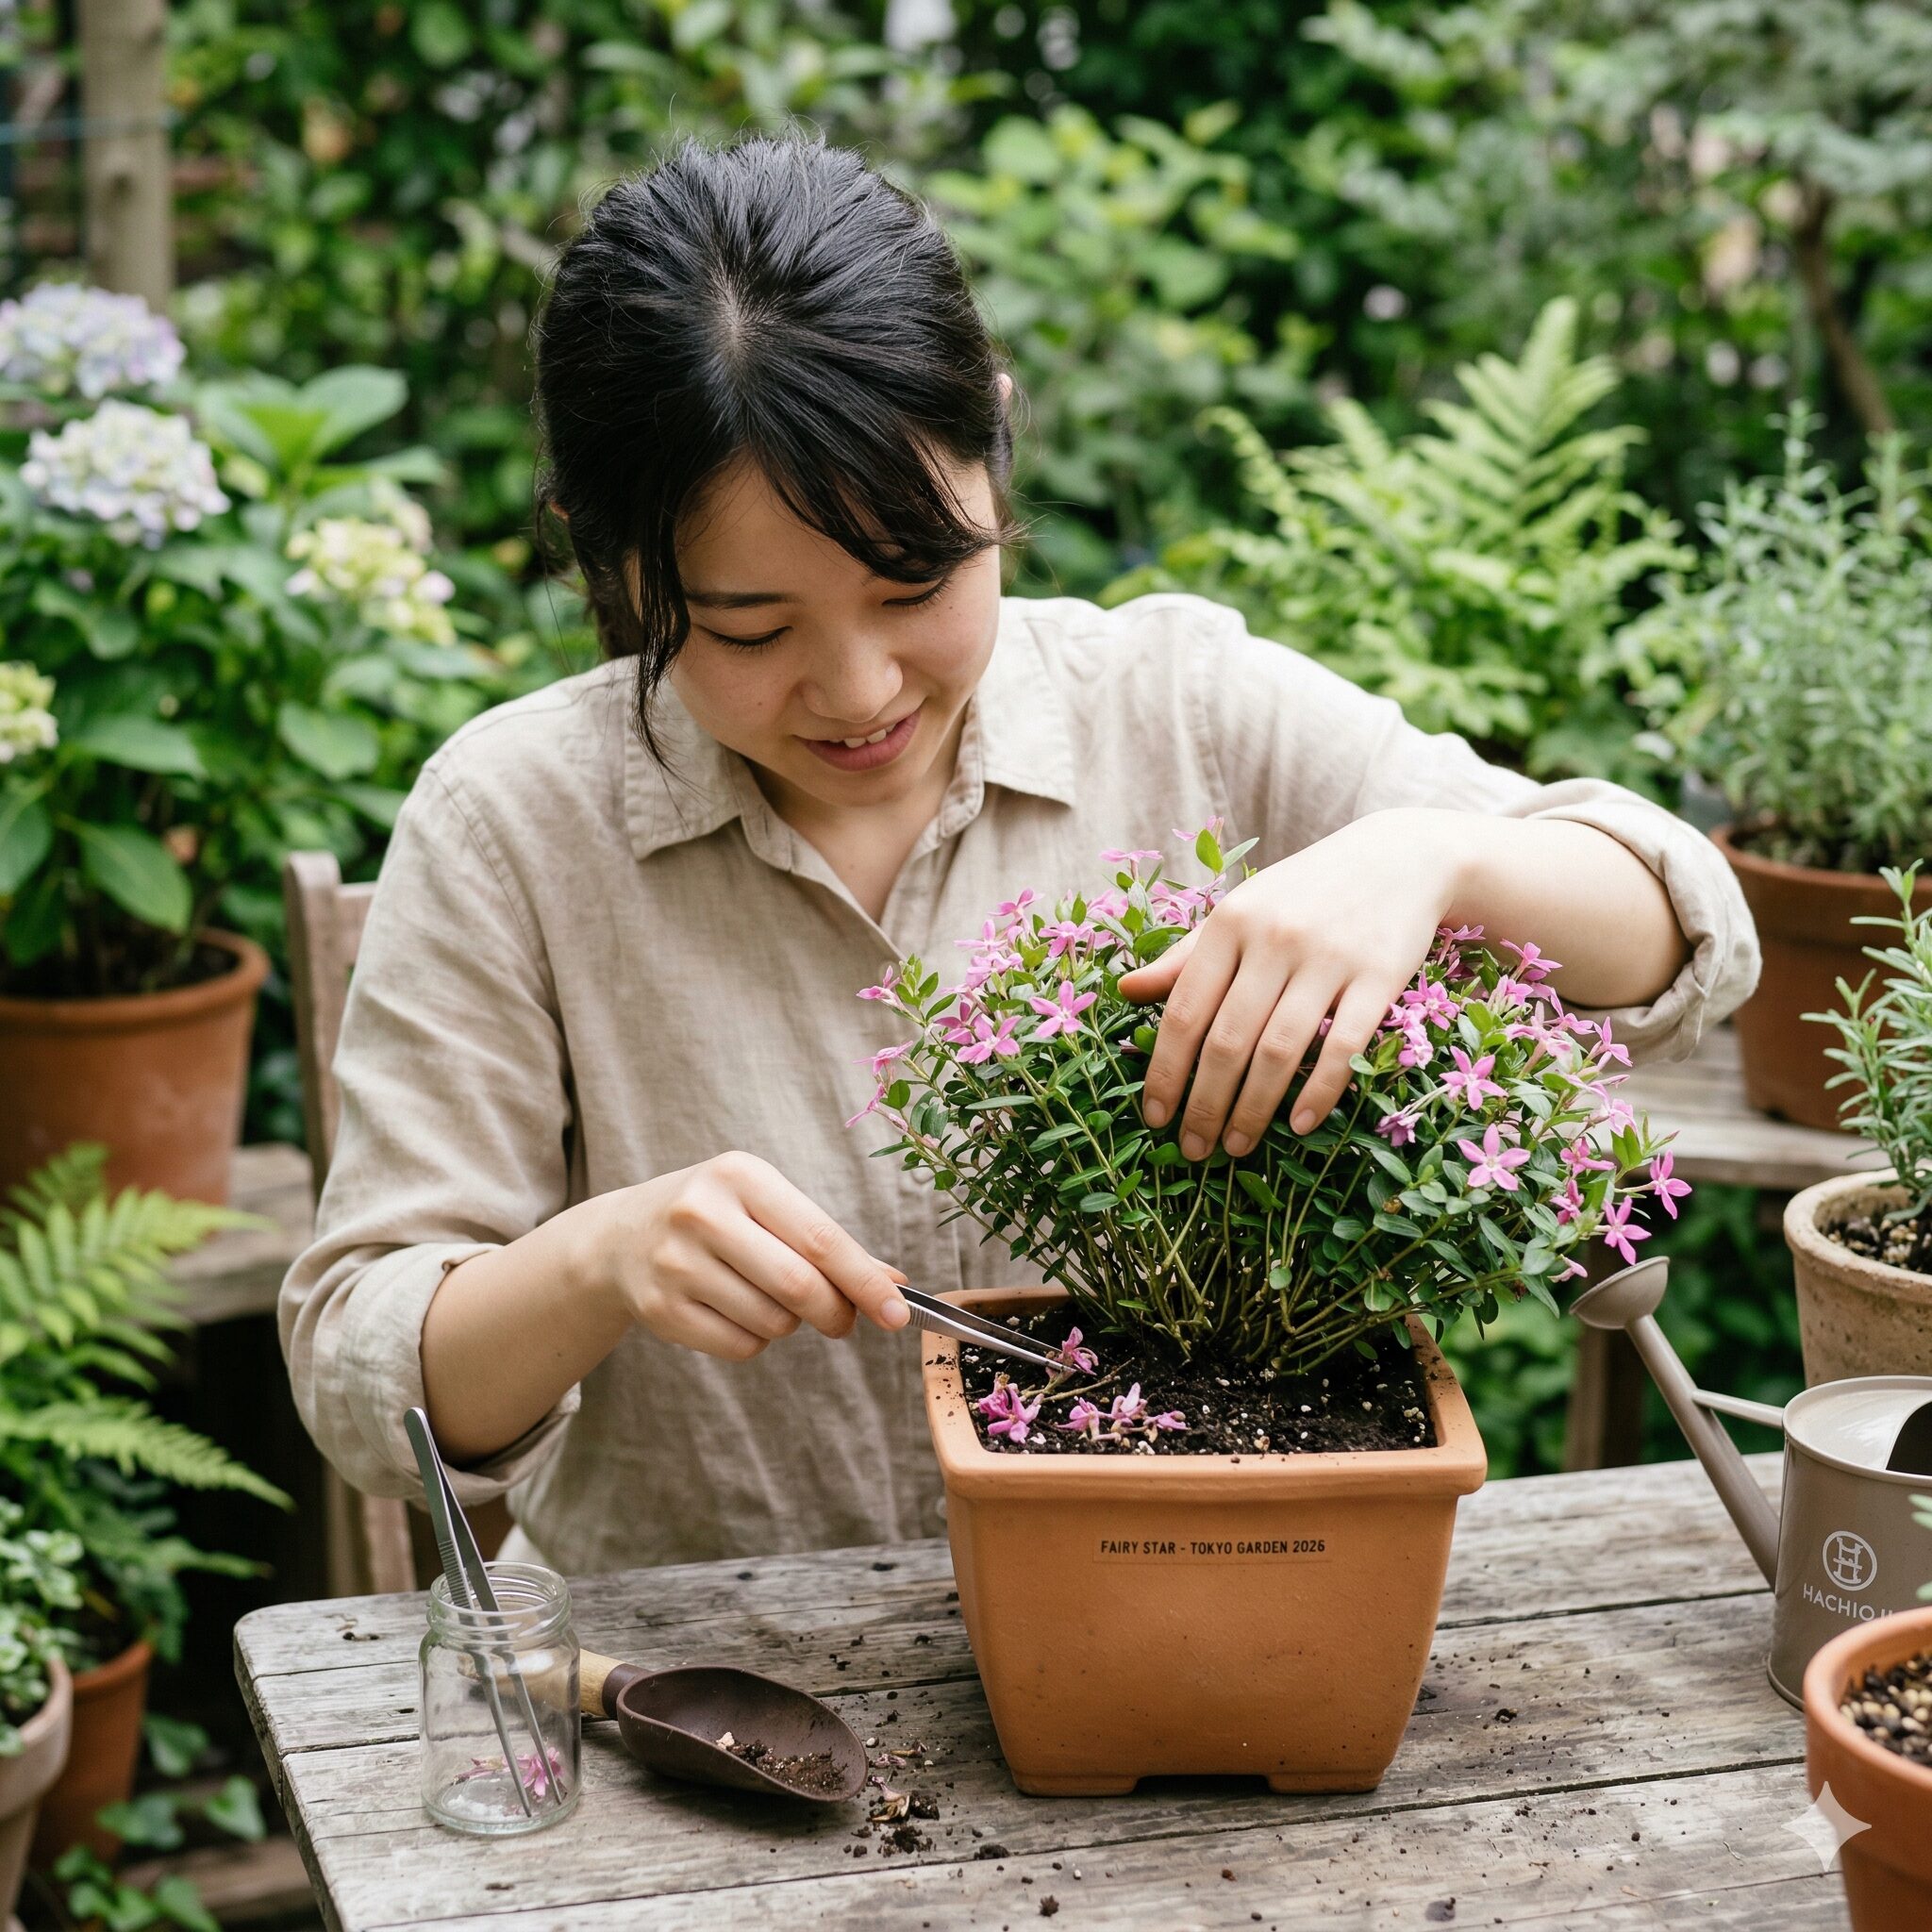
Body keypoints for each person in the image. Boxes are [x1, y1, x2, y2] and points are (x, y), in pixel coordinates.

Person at [280, 136, 1758, 1577]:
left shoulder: (1182, 708)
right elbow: (365, 1370)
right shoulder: (511, 822)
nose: (859, 691)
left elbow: (1686, 929)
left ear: (992, 441)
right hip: (708, 1688)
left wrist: (1435, 860)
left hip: (1190, 1613)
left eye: (917, 578)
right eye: (749, 629)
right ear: (606, 563)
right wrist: (595, 1261)